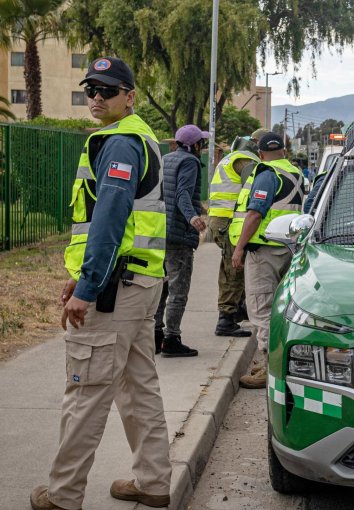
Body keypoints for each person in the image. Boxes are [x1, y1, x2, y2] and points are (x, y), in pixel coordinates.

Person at [31, 57, 171, 509]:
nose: (96, 97)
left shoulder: (120, 143)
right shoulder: (141, 138)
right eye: (90, 89)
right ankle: (154, 482)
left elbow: (110, 219)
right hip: (140, 282)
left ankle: (63, 495)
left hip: (114, 290)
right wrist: (82, 277)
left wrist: (88, 286)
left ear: (130, 96)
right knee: (139, 389)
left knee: (86, 393)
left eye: (107, 90)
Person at [230, 132, 303, 389]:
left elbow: (254, 214)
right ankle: (275, 362)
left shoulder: (266, 174)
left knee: (261, 309)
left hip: (264, 250)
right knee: (279, 310)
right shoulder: (295, 172)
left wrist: (239, 248)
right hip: (287, 247)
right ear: (284, 151)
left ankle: (270, 368)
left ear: (260, 154)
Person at [152, 124, 208, 356]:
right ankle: (172, 339)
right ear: (195, 145)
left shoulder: (166, 159)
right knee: (178, 289)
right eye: (202, 143)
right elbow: (182, 193)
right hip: (179, 233)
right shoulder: (190, 162)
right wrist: (192, 217)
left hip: (160, 231)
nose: (203, 147)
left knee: (161, 287)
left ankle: (155, 336)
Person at [208, 133, 260, 337]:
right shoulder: (245, 160)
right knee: (234, 269)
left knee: (232, 266)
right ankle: (226, 319)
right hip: (229, 222)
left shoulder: (230, 158)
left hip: (220, 220)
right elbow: (255, 189)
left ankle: (236, 310)